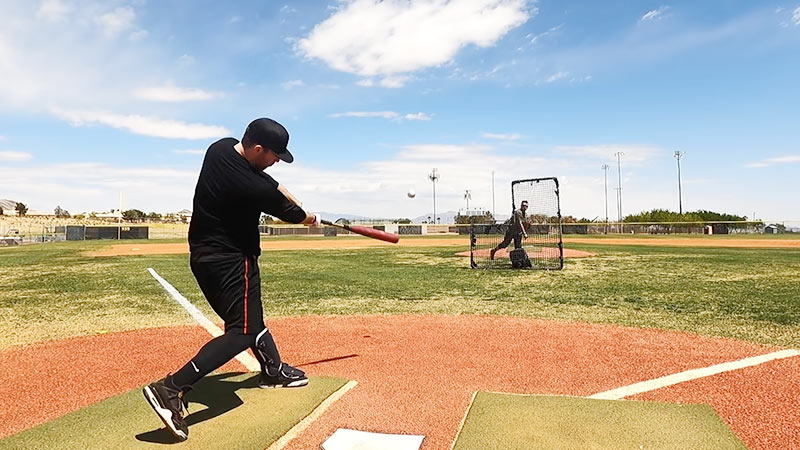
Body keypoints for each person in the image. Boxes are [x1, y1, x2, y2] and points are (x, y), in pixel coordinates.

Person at [143, 118, 320, 441]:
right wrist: (310, 218)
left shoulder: (220, 148)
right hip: (232, 260)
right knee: (241, 332)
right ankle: (171, 388)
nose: (277, 161)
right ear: (257, 149)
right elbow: (293, 209)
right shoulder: (252, 187)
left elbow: (272, 183)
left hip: (205, 257)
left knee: (251, 317)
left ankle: (272, 370)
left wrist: (293, 201)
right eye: (275, 155)